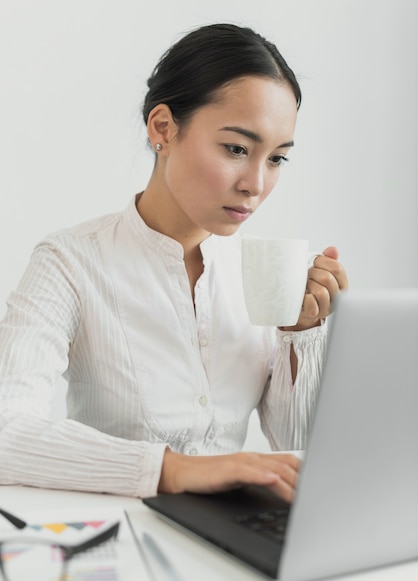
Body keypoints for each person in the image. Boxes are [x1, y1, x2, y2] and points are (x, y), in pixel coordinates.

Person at [0, 23, 348, 503]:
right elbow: (6, 433)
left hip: (237, 529)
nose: (256, 183)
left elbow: (297, 452)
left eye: (276, 159)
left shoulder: (260, 272)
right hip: (123, 536)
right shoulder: (71, 262)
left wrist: (300, 336)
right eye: (237, 149)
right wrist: (173, 469)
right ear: (162, 127)